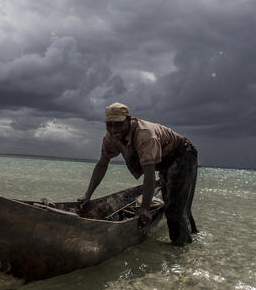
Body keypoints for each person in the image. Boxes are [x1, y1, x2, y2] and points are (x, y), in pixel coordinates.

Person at [79, 102, 198, 246]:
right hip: (163, 161)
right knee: (176, 201)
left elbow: (149, 175)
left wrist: (145, 208)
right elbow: (102, 165)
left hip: (182, 155)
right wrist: (88, 195)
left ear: (128, 120)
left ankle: (180, 247)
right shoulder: (110, 137)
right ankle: (193, 235)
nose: (113, 129)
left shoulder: (145, 135)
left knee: (174, 207)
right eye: (109, 124)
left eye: (117, 124)